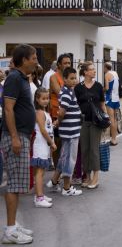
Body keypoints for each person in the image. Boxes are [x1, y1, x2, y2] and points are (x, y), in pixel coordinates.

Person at [1, 44, 37, 244]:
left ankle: (13, 225)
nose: (36, 61)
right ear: (24, 60)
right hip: (15, 137)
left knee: (17, 183)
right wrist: (14, 137)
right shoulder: (14, 78)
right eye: (33, 57)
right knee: (14, 184)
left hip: (22, 135)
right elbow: (8, 109)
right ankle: (10, 231)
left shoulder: (22, 78)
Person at [47, 68, 82, 196]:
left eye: (75, 78)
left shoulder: (66, 91)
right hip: (71, 132)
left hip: (68, 130)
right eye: (71, 78)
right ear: (65, 79)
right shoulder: (67, 92)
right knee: (70, 159)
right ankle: (67, 188)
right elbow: (62, 112)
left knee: (63, 157)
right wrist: (59, 121)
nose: (74, 81)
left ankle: (54, 181)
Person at [74, 62, 106, 189]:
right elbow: (75, 105)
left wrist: (105, 120)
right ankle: (87, 176)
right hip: (83, 121)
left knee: (94, 149)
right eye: (91, 70)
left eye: (94, 69)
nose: (94, 71)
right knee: (85, 149)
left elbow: (103, 104)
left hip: (96, 122)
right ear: (85, 72)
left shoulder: (98, 86)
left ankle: (96, 177)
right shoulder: (78, 87)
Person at [31, 87, 56, 207]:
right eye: (43, 98)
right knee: (40, 173)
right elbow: (42, 130)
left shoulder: (44, 112)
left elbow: (47, 128)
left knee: (41, 172)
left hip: (44, 145)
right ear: (37, 99)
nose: (46, 101)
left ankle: (39, 195)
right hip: (40, 145)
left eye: (47, 98)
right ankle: (39, 198)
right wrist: (51, 142)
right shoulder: (40, 113)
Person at [49, 54, 71, 169]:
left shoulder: (71, 77)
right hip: (56, 114)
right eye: (65, 63)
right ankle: (57, 167)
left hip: (69, 114)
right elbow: (60, 93)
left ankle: (65, 168)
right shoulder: (53, 77)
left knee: (67, 143)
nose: (68, 65)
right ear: (59, 65)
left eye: (69, 63)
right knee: (57, 142)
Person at [104, 62, 120, 146]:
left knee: (111, 119)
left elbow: (107, 88)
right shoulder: (115, 73)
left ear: (106, 68)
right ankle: (115, 138)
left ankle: (113, 140)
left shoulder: (107, 74)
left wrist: (101, 90)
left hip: (109, 99)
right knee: (115, 119)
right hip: (116, 99)